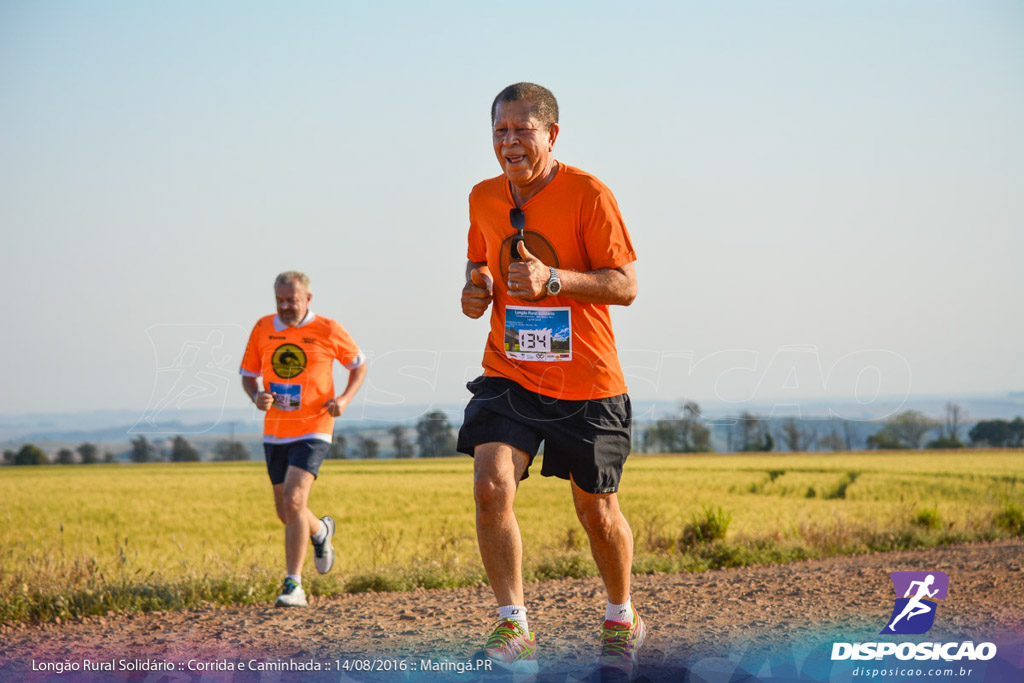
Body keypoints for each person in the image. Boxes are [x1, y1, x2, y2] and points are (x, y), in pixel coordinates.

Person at [458, 83, 644, 677]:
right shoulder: (483, 197)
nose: (508, 142)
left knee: (598, 513)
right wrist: (474, 287)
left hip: (587, 381)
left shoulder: (589, 193)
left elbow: (625, 285)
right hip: (511, 371)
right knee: (491, 485)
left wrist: (555, 281)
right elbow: (478, 259)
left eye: (521, 131)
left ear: (551, 135)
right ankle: (514, 625)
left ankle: (622, 618)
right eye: (499, 132)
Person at [240, 271, 367, 607]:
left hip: (315, 426)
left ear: (307, 299)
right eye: (280, 301)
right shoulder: (262, 328)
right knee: (287, 511)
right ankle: (320, 532)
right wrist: (256, 397)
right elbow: (248, 375)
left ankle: (293, 585)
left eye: (291, 301)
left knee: (295, 501)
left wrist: (344, 399)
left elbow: (359, 364)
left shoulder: (327, 329)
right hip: (276, 430)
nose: (285, 306)